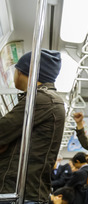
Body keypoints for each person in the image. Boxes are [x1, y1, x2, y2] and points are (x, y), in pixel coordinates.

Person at [0, 49, 65, 203]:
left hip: (23, 194)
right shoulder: (44, 99)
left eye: (16, 68)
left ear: (26, 71)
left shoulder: (42, 99)